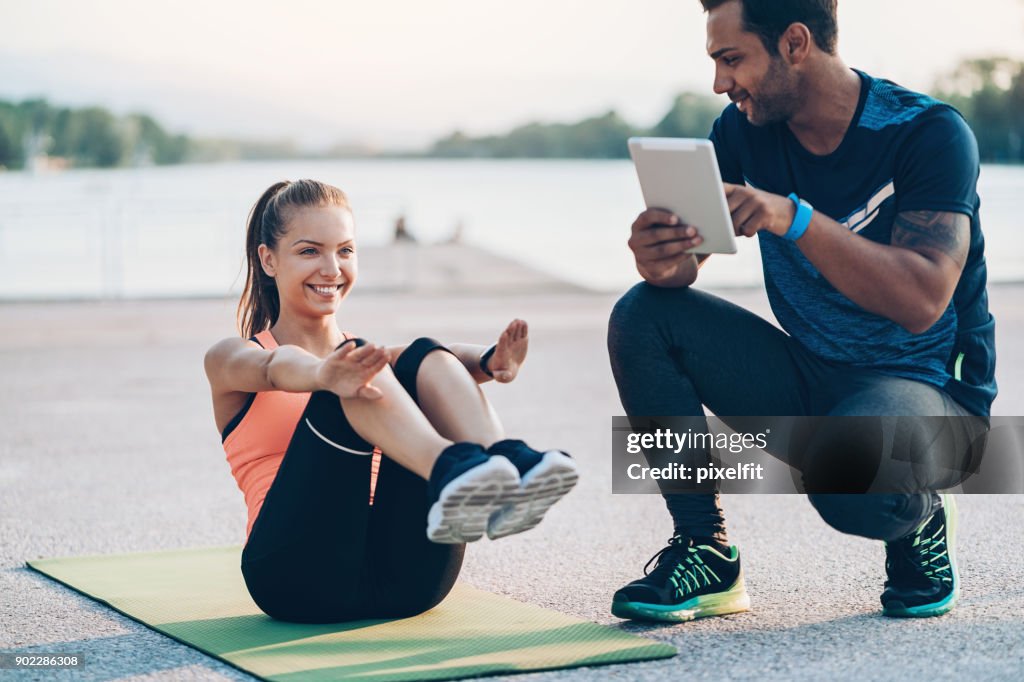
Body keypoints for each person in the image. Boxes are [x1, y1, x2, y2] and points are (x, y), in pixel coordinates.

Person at [608, 0, 995, 622]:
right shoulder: (740, 131)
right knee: (643, 313)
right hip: (811, 374)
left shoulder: (928, 133)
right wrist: (661, 261)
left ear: (794, 43)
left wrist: (794, 217)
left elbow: (923, 301)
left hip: (925, 391)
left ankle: (918, 514)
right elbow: (687, 266)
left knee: (852, 485)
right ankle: (706, 550)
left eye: (732, 59)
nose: (719, 82)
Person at [204, 179, 577, 623]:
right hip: (297, 578)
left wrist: (491, 360)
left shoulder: (368, 357)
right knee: (353, 375)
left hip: (412, 580)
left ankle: (505, 464)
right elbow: (275, 366)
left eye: (345, 250)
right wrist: (325, 374)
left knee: (418, 355)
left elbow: (436, 360)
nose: (331, 268)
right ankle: (451, 468)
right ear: (269, 259)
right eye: (309, 251)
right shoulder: (231, 357)